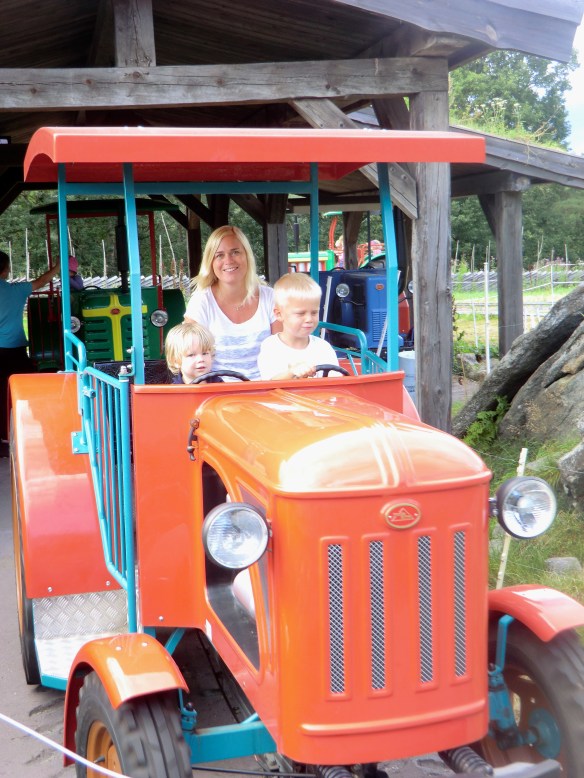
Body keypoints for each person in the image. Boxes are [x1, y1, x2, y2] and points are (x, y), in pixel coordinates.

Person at [184, 225, 281, 380]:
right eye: (219, 255)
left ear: (247, 256)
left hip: (267, 388)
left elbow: (284, 351)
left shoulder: (270, 298)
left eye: (235, 252)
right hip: (217, 390)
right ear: (210, 262)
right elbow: (188, 358)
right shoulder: (201, 302)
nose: (228, 260)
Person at [0, 250, 61, 452]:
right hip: (14, 351)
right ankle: (22, 432)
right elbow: (41, 281)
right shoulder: (16, 291)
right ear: (6, 270)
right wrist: (58, 267)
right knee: (23, 391)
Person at [257, 272, 341, 380]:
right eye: (301, 313)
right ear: (279, 314)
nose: (309, 319)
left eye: (314, 313)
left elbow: (336, 380)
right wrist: (291, 373)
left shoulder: (323, 348)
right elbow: (270, 383)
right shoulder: (271, 347)